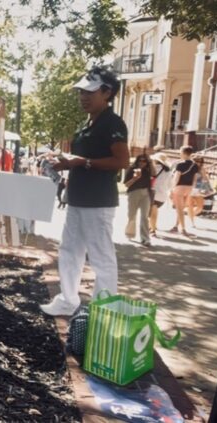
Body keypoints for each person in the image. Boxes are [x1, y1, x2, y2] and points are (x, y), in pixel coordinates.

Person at [40, 66, 129, 316]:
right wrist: (63, 161)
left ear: (107, 93)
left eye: (89, 92)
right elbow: (81, 158)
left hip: (98, 201)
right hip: (78, 198)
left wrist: (83, 162)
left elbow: (122, 161)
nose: (83, 97)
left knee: (101, 257)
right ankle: (68, 300)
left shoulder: (113, 123)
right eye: (81, 92)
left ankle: (105, 310)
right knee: (69, 250)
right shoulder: (87, 123)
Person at [123, 154, 155, 246]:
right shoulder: (131, 169)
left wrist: (150, 162)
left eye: (144, 161)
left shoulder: (148, 170)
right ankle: (130, 233)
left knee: (144, 216)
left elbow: (154, 174)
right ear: (137, 161)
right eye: (140, 160)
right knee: (132, 215)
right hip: (134, 193)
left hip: (146, 193)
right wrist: (135, 178)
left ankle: (145, 238)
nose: (142, 163)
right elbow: (126, 184)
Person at [168, 145, 199, 236]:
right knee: (181, 208)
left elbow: (176, 178)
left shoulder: (180, 164)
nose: (180, 154)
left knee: (179, 209)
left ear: (184, 153)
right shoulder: (195, 165)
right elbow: (195, 179)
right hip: (189, 188)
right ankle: (176, 226)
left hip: (179, 188)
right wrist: (192, 189)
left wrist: (171, 189)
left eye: (180, 152)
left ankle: (183, 229)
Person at [148, 152, 171, 238]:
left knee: (151, 212)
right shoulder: (168, 171)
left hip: (151, 193)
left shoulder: (151, 169)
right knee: (154, 210)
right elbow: (170, 185)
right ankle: (151, 227)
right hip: (162, 196)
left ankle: (152, 230)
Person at [187, 156, 211, 228]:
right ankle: (191, 222)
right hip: (189, 188)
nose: (199, 163)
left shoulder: (201, 169)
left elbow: (205, 178)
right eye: (197, 161)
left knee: (200, 207)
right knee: (190, 206)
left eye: (200, 161)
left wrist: (208, 188)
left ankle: (190, 216)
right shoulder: (189, 168)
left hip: (199, 189)